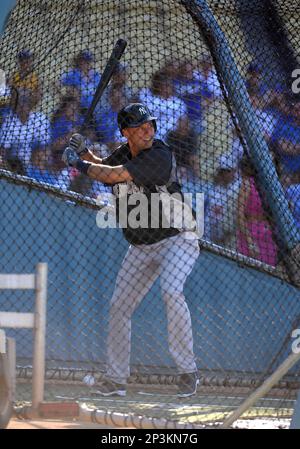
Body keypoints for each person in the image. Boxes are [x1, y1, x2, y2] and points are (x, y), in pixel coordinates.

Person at [62, 103, 200, 397]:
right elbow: (105, 166)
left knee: (171, 291)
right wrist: (84, 150)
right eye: (140, 126)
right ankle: (116, 380)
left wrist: (78, 163)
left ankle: (188, 371)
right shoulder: (125, 153)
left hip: (178, 238)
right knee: (118, 307)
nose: (148, 129)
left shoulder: (159, 154)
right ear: (126, 133)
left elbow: (112, 176)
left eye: (150, 124)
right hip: (141, 246)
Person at [237, 156, 277, 266]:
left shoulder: (271, 186)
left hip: (267, 236)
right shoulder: (247, 184)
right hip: (250, 233)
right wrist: (249, 241)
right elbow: (240, 215)